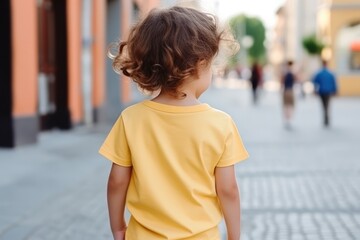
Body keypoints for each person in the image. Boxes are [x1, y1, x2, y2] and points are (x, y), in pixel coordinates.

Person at [99, 6, 249, 240]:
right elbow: (228, 190)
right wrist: (234, 236)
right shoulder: (221, 124)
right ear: (200, 64)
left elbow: (117, 182)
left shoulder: (131, 119)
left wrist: (118, 225)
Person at [312, 59, 337, 127]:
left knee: (324, 105)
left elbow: (314, 81)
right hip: (328, 91)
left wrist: (315, 90)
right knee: (327, 104)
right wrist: (335, 90)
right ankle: (326, 118)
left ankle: (325, 118)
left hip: (322, 91)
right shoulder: (330, 73)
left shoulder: (319, 73)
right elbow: (334, 82)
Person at [281, 60, 296, 129]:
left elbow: (282, 81)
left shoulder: (285, 73)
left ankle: (287, 119)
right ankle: (289, 119)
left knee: (286, 106)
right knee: (290, 106)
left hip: (286, 90)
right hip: (290, 90)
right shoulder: (293, 73)